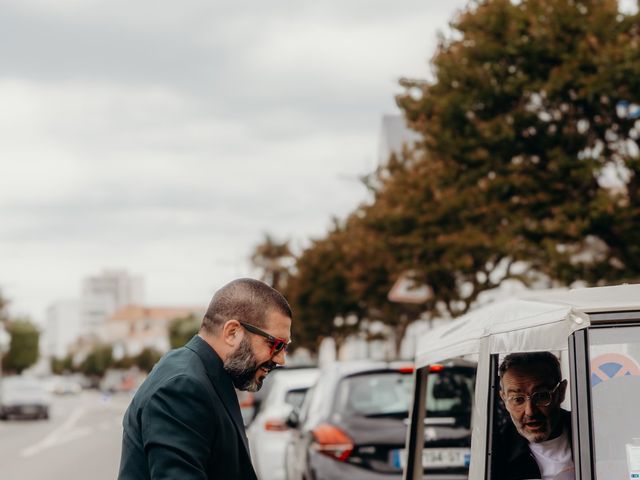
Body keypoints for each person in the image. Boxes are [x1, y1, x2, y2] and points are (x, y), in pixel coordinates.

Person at [117, 278, 292, 480]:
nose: (281, 359)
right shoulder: (182, 387)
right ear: (232, 333)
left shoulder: (203, 374)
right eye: (276, 345)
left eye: (285, 346)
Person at [492, 352, 575, 480]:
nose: (530, 411)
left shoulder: (592, 435)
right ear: (504, 400)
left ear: (561, 392)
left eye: (541, 396)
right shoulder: (496, 453)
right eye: (518, 399)